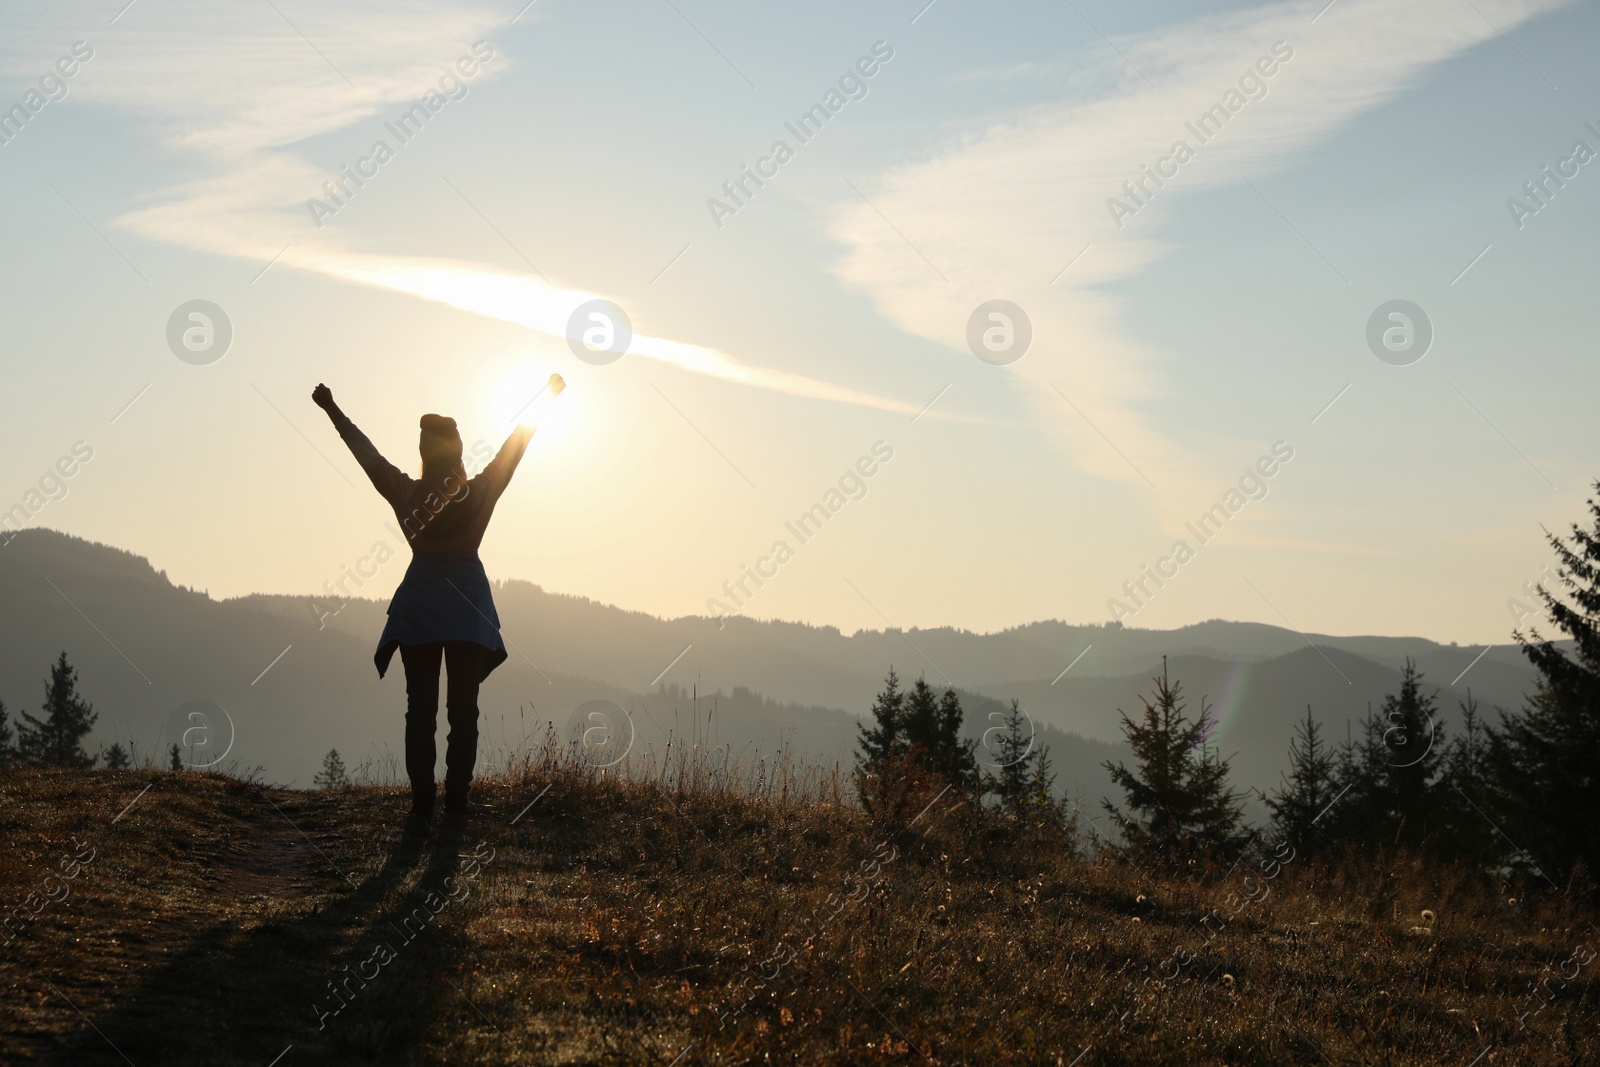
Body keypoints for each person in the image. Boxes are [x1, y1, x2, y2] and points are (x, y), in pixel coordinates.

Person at [311, 380, 558, 828]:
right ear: (459, 454)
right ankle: (457, 802)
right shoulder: (480, 493)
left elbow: (366, 454)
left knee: (419, 710)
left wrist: (333, 409)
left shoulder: (406, 494)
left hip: (419, 611)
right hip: (468, 613)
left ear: (425, 452)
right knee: (464, 712)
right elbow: (514, 447)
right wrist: (546, 397)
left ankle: (423, 803)